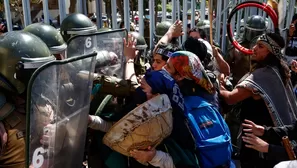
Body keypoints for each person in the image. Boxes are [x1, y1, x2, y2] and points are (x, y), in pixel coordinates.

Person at [88, 70, 199, 168]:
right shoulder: (143, 110)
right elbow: (118, 129)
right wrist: (92, 121)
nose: (138, 93)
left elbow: (185, 162)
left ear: (157, 96)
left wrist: (154, 157)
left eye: (142, 89)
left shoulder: (177, 128)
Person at [220, 32, 297, 168]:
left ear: (271, 52)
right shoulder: (280, 69)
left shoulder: (262, 75)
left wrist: (214, 86)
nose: (254, 48)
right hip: (270, 137)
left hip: (258, 142)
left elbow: (231, 99)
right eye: (256, 44)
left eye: (260, 46)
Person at [0, 31, 55, 167]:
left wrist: (58, 134)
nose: (44, 80)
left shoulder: (41, 102)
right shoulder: (3, 121)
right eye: (37, 72)